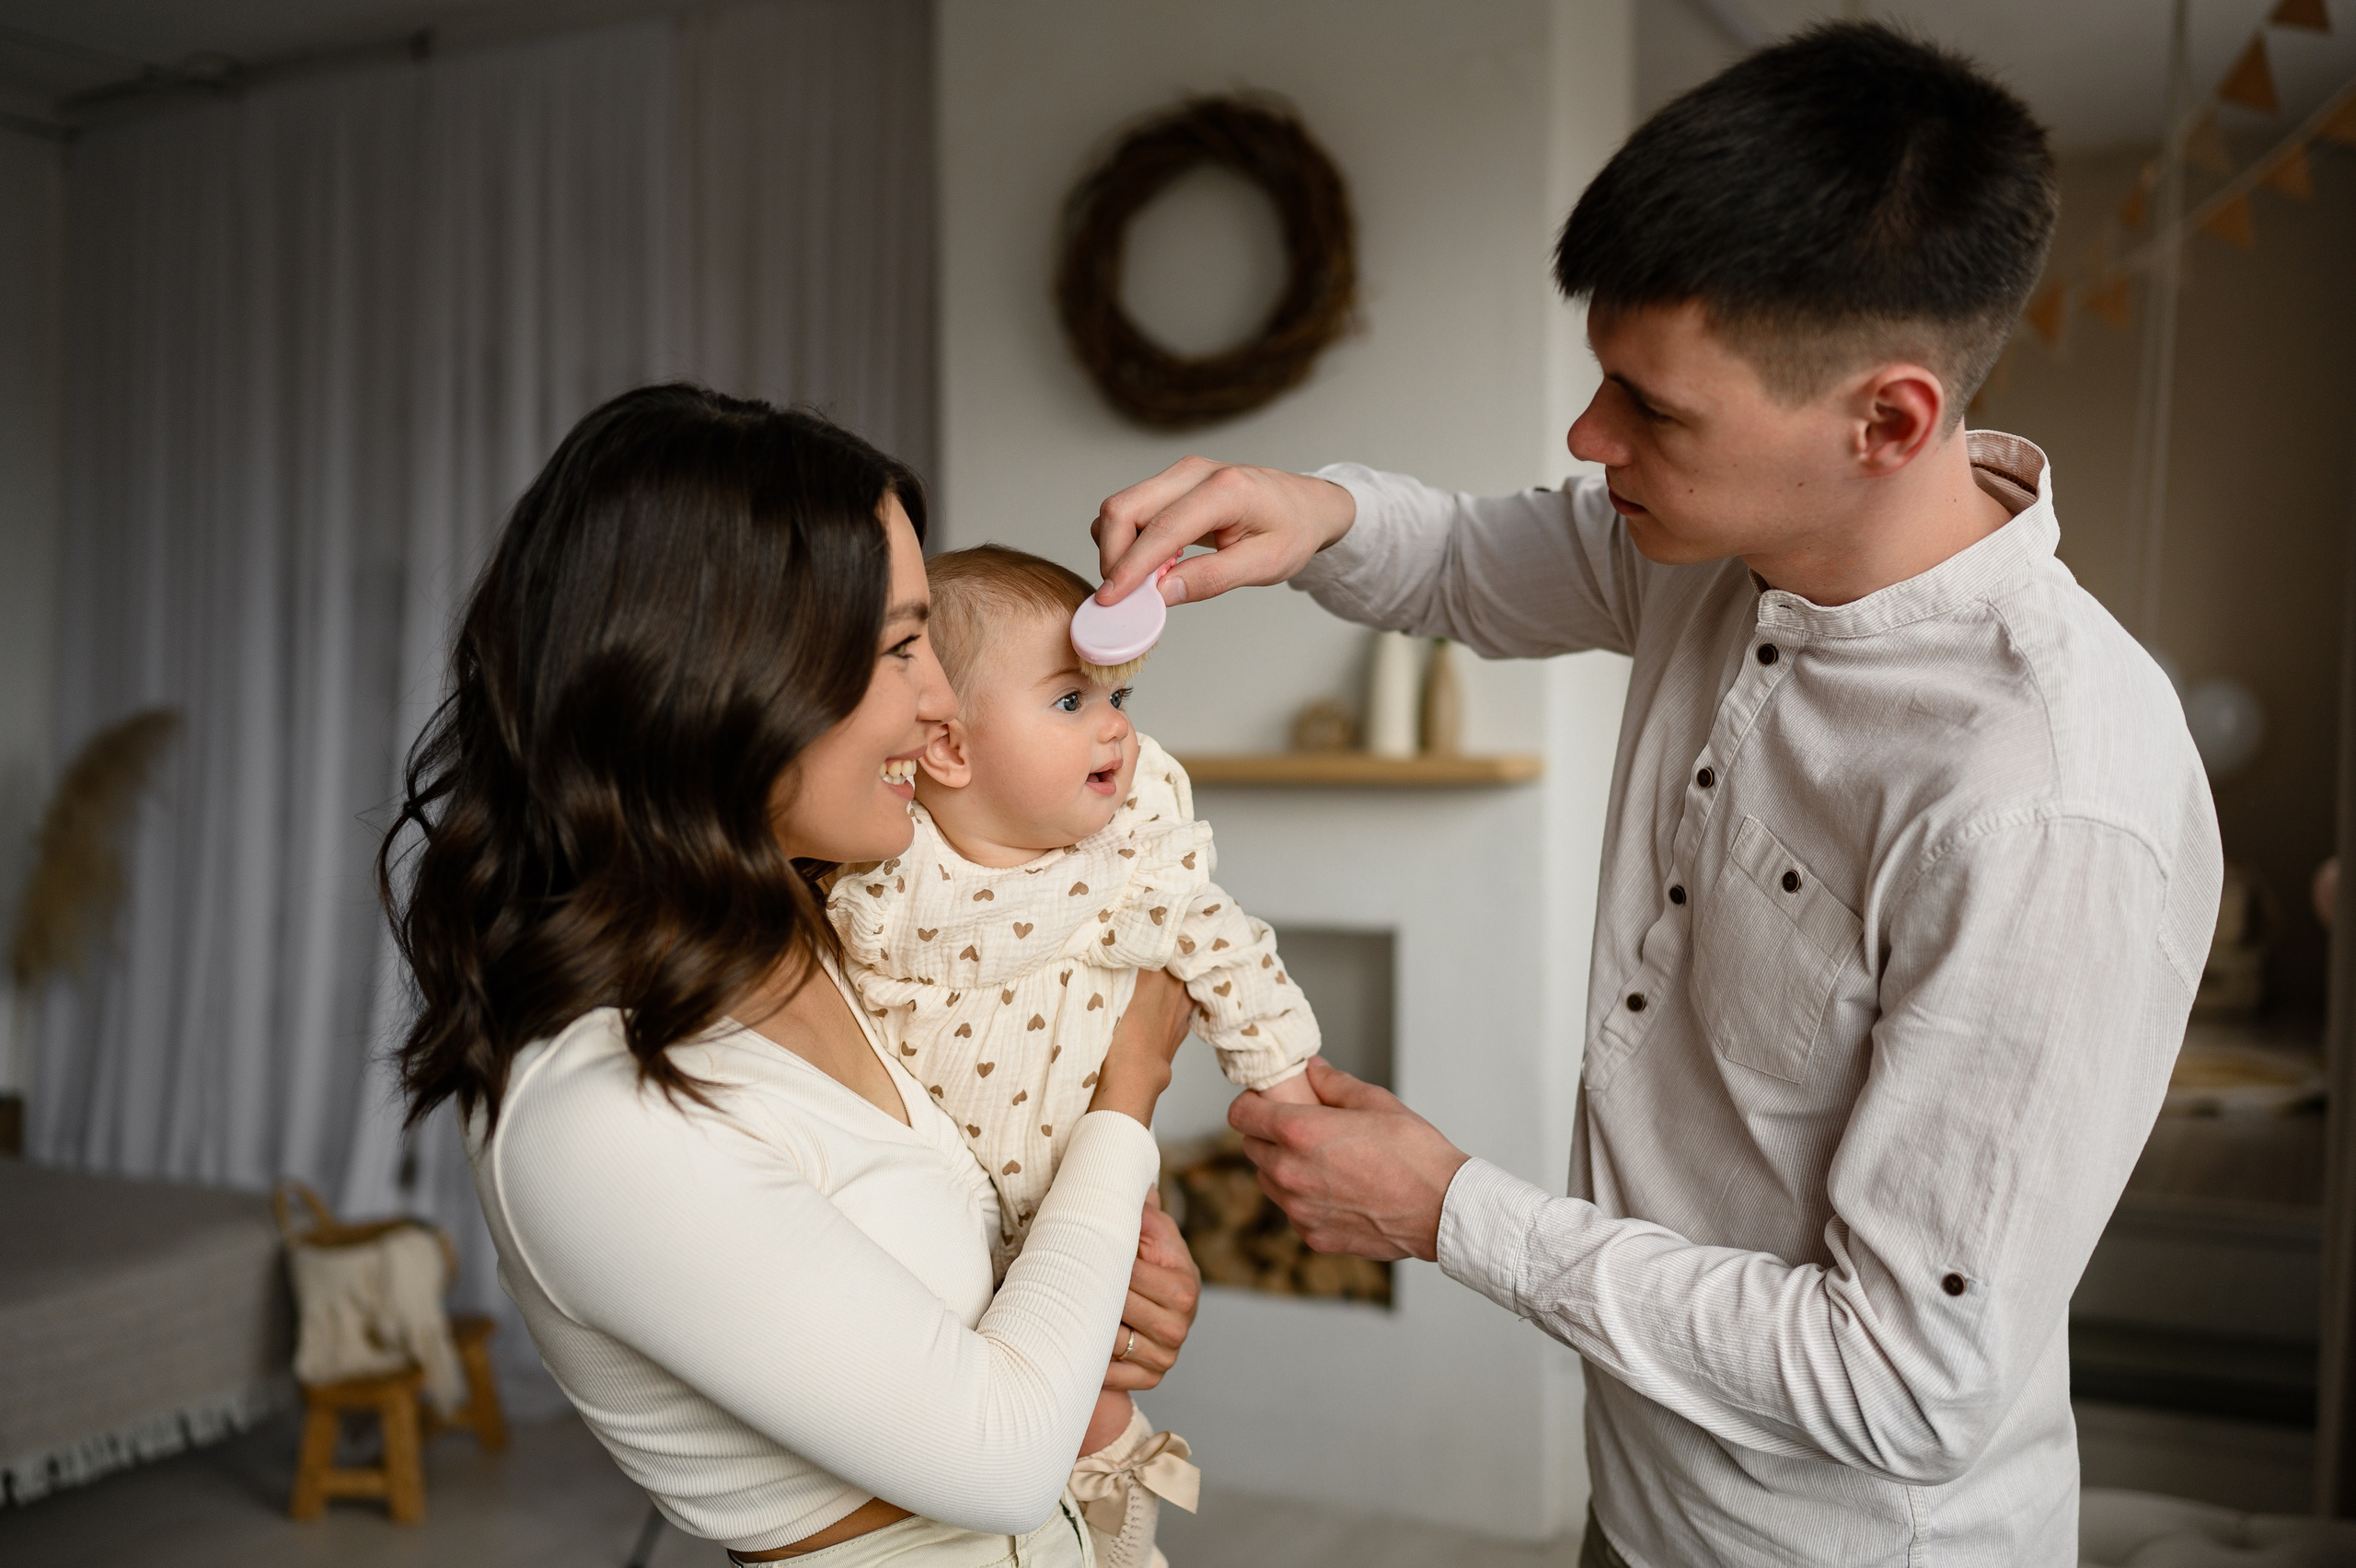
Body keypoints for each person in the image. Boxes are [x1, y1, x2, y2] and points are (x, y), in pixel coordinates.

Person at [1087, 23, 2221, 1568]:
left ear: (1885, 420)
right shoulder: (1716, 546)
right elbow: (1480, 557)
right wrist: (1314, 507)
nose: (1588, 436)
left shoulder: (2045, 801)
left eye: (1649, 405)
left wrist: (1450, 1209)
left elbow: (1908, 1382)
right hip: (1639, 1496)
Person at [378, 385, 1203, 1566]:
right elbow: (1005, 1458)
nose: (937, 707)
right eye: (899, 646)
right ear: (716, 680)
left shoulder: (817, 929)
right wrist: (1128, 1103)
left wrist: (1108, 1278)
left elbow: (985, 1281)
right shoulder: (589, 1111)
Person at [828, 544, 1323, 1565]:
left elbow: (1226, 950)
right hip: (941, 1224)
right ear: (950, 750)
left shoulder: (1129, 862)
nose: (1114, 725)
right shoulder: (890, 868)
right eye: (1068, 701)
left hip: (1082, 1196)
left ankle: (1111, 1512)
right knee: (990, 1390)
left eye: (1118, 695)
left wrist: (1291, 1090)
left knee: (1097, 1388)